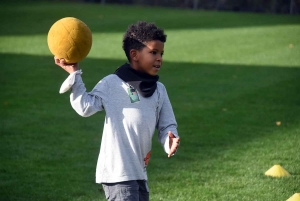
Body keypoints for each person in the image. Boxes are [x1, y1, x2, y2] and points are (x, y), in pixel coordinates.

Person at [54, 21, 180, 201]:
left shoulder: (159, 89)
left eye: (161, 53)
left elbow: (167, 125)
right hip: (117, 173)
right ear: (134, 55)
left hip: (139, 172)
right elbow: (85, 106)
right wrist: (74, 73)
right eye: (153, 52)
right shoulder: (112, 83)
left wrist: (170, 140)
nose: (159, 57)